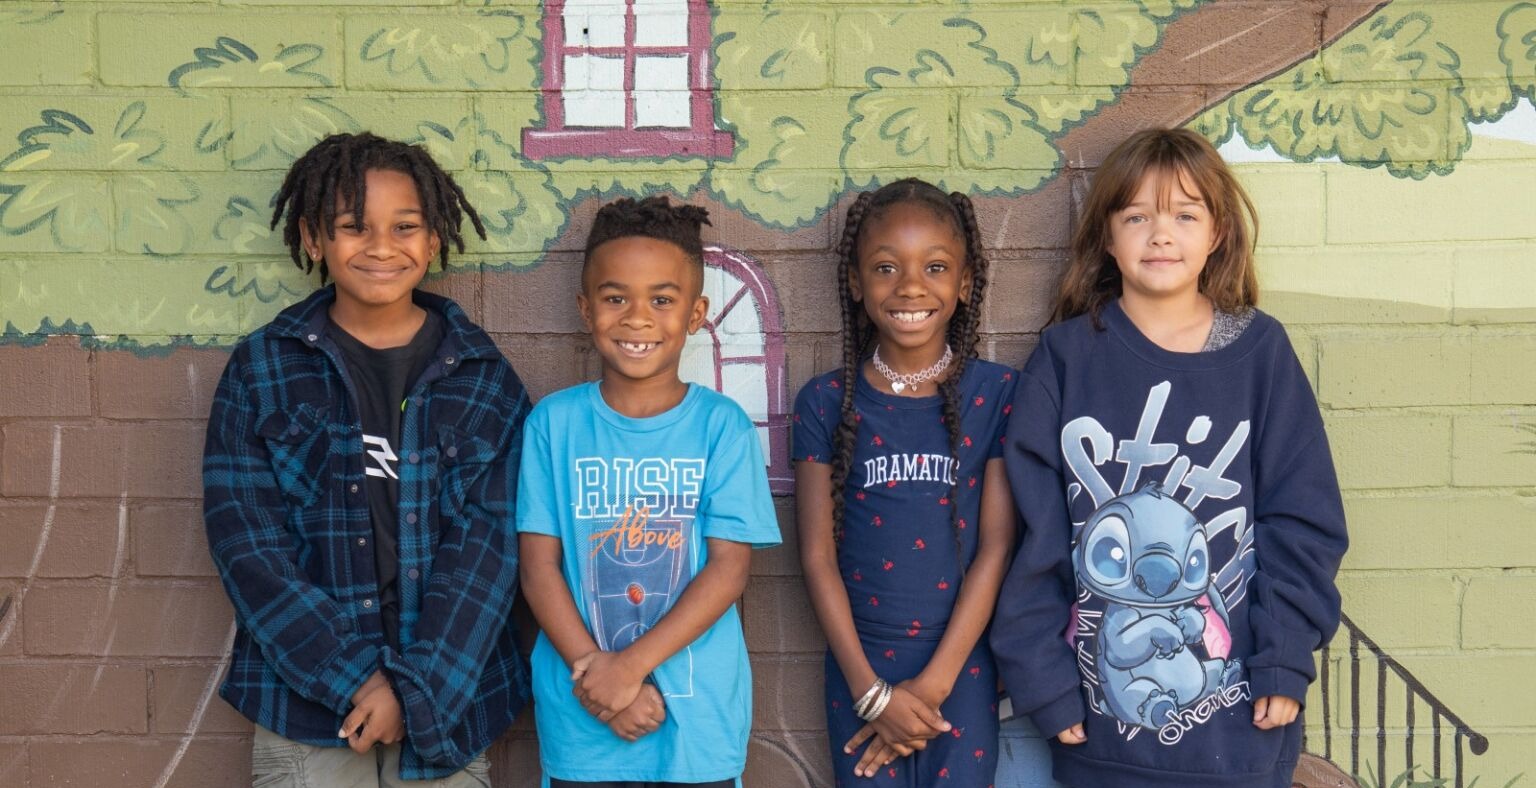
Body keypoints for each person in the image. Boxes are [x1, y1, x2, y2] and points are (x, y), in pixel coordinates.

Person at [992, 127, 1348, 787]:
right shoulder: (1066, 360)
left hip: (1241, 732)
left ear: (1217, 233)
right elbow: (1028, 542)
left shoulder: (1261, 355)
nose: (1161, 235)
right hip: (1096, 734)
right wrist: (1042, 679)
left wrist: (1282, 660)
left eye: (1185, 215)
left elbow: (1302, 523)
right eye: (1137, 217)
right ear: (1106, 235)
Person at [202, 131, 529, 785]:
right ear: (314, 239)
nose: (381, 247)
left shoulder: (486, 381)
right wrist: (356, 678)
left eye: (404, 226)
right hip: (306, 706)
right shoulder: (263, 369)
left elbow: (489, 554)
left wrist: (416, 690)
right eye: (354, 227)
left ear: (434, 238)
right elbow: (248, 547)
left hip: (448, 707)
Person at [516, 196, 781, 787]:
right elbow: (538, 570)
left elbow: (728, 572)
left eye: (662, 300)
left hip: (696, 721)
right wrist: (601, 680)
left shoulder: (722, 428)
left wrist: (630, 668)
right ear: (586, 309)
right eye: (616, 299)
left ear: (695, 313)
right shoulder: (553, 425)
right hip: (583, 718)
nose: (638, 318)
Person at [793, 178, 1017, 786]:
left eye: (936, 266)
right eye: (886, 267)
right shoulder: (825, 402)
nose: (911, 286)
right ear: (855, 282)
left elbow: (997, 545)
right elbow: (815, 557)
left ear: (965, 283)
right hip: (858, 667)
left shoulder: (995, 394)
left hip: (961, 671)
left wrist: (936, 684)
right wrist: (873, 696)